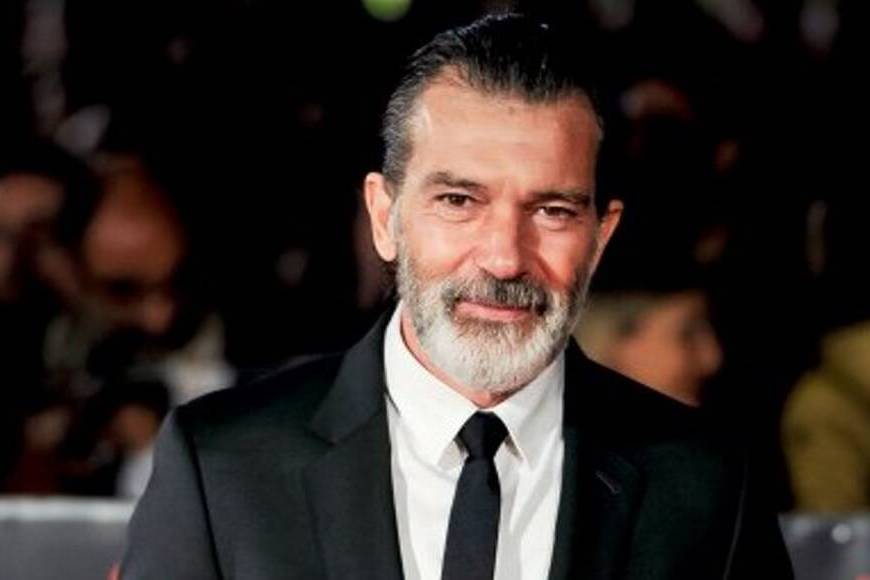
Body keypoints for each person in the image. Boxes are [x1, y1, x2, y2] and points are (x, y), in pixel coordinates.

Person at [122, 14, 792, 579]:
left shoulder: (707, 485)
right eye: (459, 201)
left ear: (600, 237)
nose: (504, 257)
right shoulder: (222, 466)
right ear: (384, 218)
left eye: (553, 211)